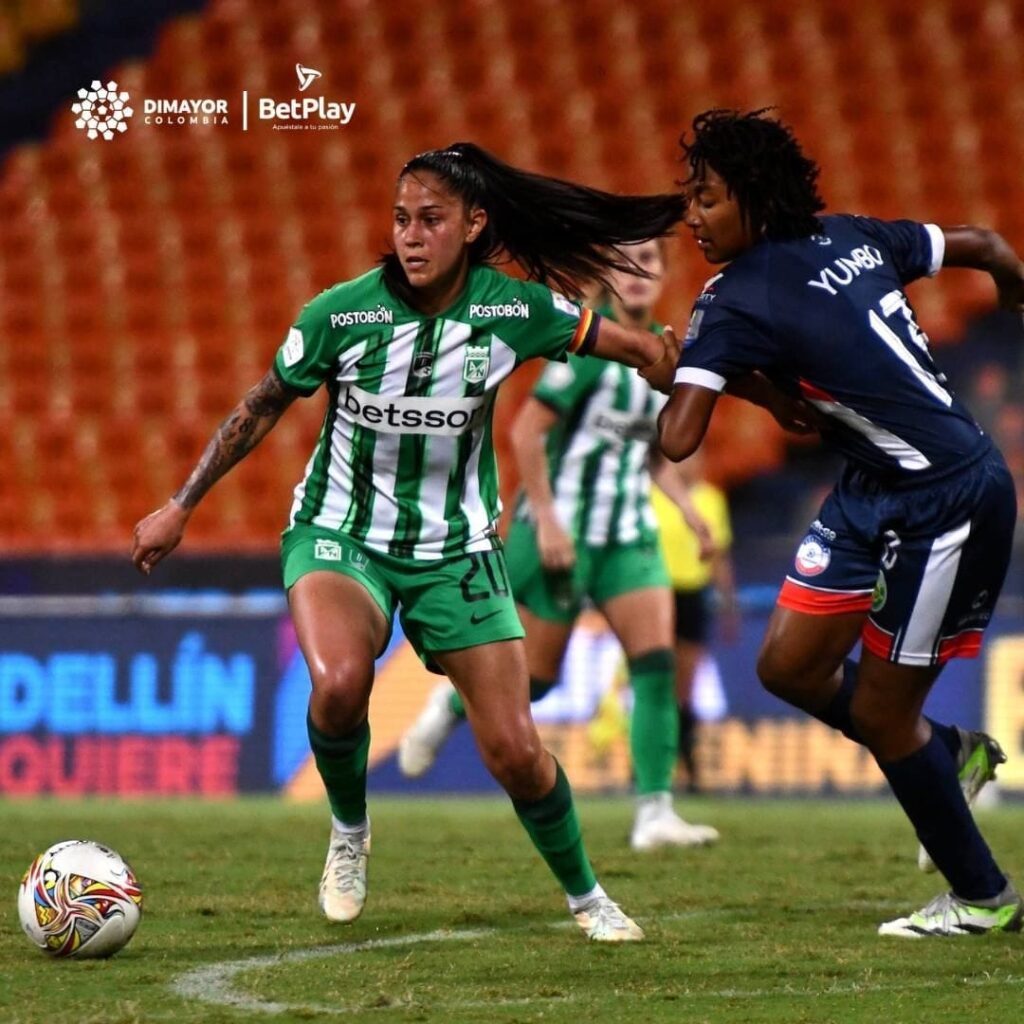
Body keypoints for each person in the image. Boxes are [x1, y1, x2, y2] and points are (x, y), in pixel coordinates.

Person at [131, 142, 686, 943]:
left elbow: (631, 347)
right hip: (340, 531)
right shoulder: (341, 314)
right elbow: (261, 404)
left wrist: (668, 362)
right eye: (401, 220)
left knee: (516, 750)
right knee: (339, 682)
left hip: (456, 549)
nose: (412, 236)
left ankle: (587, 896)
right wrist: (181, 504)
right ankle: (349, 832)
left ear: (474, 224)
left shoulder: (515, 311)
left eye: (430, 220)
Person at [658, 108, 1023, 938]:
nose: (694, 217)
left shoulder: (733, 298)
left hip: (944, 497)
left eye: (707, 199)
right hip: (870, 487)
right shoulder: (855, 235)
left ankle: (981, 897)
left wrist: (677, 368)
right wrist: (1015, 290)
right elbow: (986, 244)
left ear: (753, 200)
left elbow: (678, 438)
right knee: (788, 666)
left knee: (885, 717)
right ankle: (952, 752)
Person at [398, 239, 719, 851]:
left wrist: (689, 512)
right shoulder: (590, 349)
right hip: (565, 536)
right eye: (627, 263)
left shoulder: (661, 355)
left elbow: (649, 453)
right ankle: (449, 707)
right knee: (537, 681)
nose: (639, 273)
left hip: (627, 535)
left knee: (656, 662)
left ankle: (654, 813)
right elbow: (526, 432)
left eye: (650, 262)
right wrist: (545, 518)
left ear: (664, 274)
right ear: (608, 277)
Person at [650, 447, 738, 790]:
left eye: (697, 457)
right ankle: (651, 767)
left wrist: (728, 604)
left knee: (684, 689)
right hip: (656, 593)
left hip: (692, 596)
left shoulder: (712, 499)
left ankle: (689, 767)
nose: (691, 463)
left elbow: (720, 556)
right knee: (655, 681)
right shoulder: (653, 495)